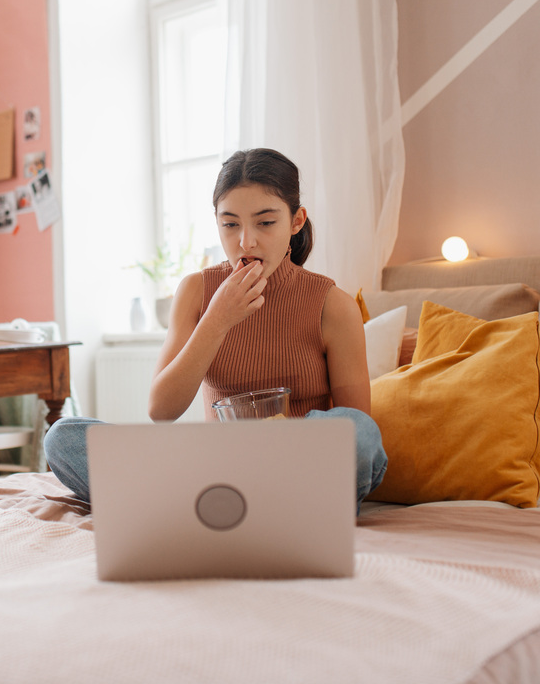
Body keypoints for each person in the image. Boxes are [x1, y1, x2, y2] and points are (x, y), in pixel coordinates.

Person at [44, 148, 387, 509]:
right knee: (63, 438)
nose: (246, 242)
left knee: (359, 435)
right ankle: (236, 504)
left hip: (298, 467)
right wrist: (218, 318)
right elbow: (161, 410)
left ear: (296, 221)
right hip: (217, 467)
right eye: (230, 224)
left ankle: (194, 505)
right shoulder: (196, 291)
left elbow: (356, 426)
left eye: (266, 223)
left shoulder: (333, 305)